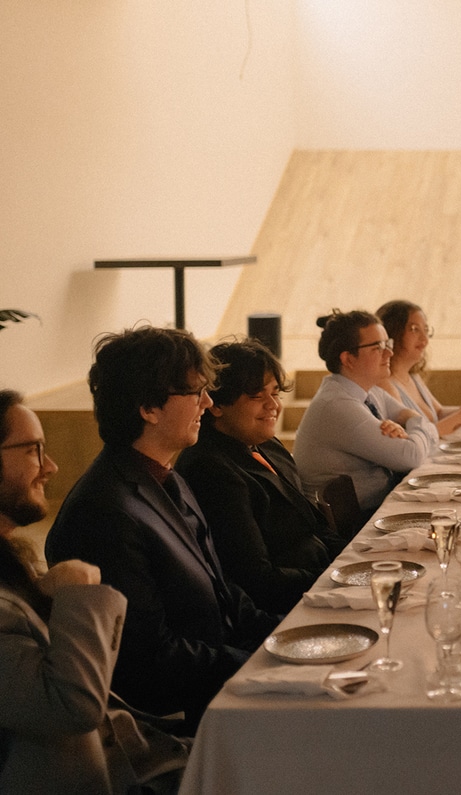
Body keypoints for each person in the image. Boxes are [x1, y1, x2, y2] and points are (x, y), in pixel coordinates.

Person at [44, 328, 280, 732]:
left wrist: (289, 637)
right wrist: (261, 665)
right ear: (148, 408)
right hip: (176, 721)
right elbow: (150, 659)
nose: (208, 402)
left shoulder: (164, 475)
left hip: (219, 683)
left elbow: (222, 593)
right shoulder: (103, 510)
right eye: (196, 393)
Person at [1, 390, 190, 794]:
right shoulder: (103, 507)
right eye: (33, 450)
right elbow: (71, 706)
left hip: (133, 757)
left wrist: (42, 591)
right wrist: (75, 597)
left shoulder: (13, 563)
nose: (50, 466)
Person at [176, 339, 345, 614]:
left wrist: (355, 559)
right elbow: (256, 578)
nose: (273, 406)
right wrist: (335, 580)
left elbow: (312, 523)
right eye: (257, 396)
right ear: (217, 405)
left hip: (319, 578)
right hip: (288, 606)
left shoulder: (266, 443)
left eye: (275, 393)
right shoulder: (211, 469)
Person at [292, 310, 439, 511]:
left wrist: (411, 423)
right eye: (378, 347)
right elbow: (412, 456)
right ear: (348, 359)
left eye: (388, 344)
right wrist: (414, 427)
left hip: (377, 510)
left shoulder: (369, 392)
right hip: (354, 530)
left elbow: (417, 425)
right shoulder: (337, 405)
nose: (389, 353)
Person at [374, 299, 461, 436]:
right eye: (414, 329)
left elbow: (438, 413)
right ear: (392, 333)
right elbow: (419, 437)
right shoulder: (384, 384)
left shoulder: (412, 377)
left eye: (426, 330)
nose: (425, 339)